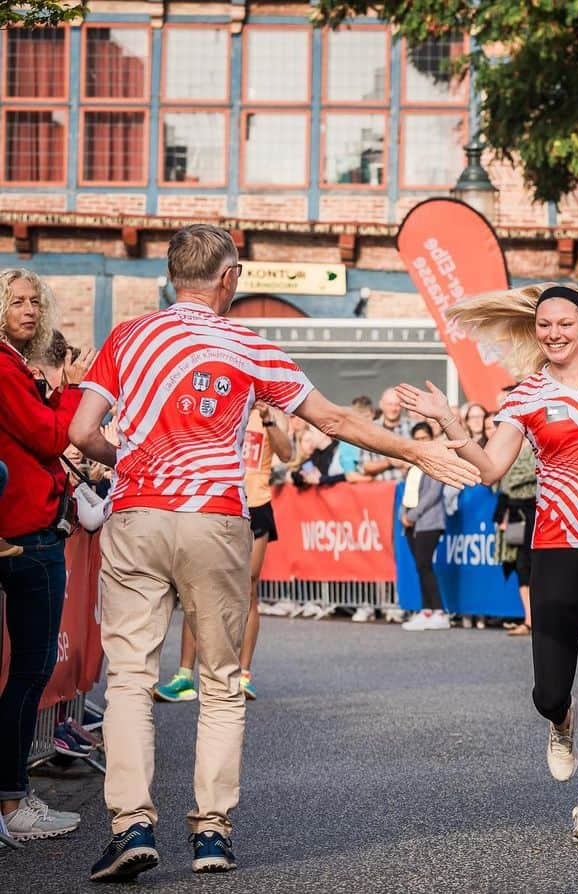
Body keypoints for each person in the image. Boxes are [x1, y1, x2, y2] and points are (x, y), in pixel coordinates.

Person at [68, 224, 479, 882]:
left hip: (139, 514)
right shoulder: (253, 345)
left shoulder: (125, 339)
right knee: (222, 683)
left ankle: (130, 825)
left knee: (129, 680)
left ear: (175, 274)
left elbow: (81, 429)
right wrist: (419, 449)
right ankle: (211, 833)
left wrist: (132, 464)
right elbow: (336, 422)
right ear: (228, 278)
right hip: (216, 519)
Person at [396, 281, 578, 844]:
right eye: (544, 326)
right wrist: (450, 422)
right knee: (546, 691)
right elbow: (489, 469)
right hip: (554, 546)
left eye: (565, 324)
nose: (554, 334)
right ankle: (562, 722)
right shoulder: (525, 396)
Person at [0, 268, 95, 841]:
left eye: (36, 301)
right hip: (27, 534)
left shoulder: (14, 363)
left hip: (29, 530)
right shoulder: (6, 365)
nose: (30, 309)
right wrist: (75, 389)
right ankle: (12, 803)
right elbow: (50, 436)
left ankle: (12, 800)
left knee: (27, 677)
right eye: (16, 300)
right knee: (30, 674)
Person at [153, 400, 294, 704]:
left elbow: (287, 454)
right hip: (219, 503)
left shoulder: (271, 412)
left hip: (255, 504)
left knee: (249, 587)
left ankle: (243, 674)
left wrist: (268, 419)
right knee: (197, 586)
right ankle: (184, 676)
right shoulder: (223, 402)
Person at [400, 422, 452, 631]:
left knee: (424, 565)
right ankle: (426, 610)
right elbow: (407, 493)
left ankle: (439, 611)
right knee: (420, 567)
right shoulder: (413, 466)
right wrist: (403, 514)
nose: (421, 442)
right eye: (417, 438)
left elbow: (433, 494)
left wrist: (412, 515)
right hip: (412, 523)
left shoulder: (436, 462)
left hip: (429, 521)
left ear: (431, 438)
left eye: (424, 438)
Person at [495, 438, 538, 636]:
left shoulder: (536, 446)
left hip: (537, 512)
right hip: (514, 515)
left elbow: (531, 473)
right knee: (520, 565)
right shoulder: (507, 448)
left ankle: (542, 619)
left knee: (539, 566)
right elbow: (496, 483)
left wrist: (505, 473)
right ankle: (529, 620)